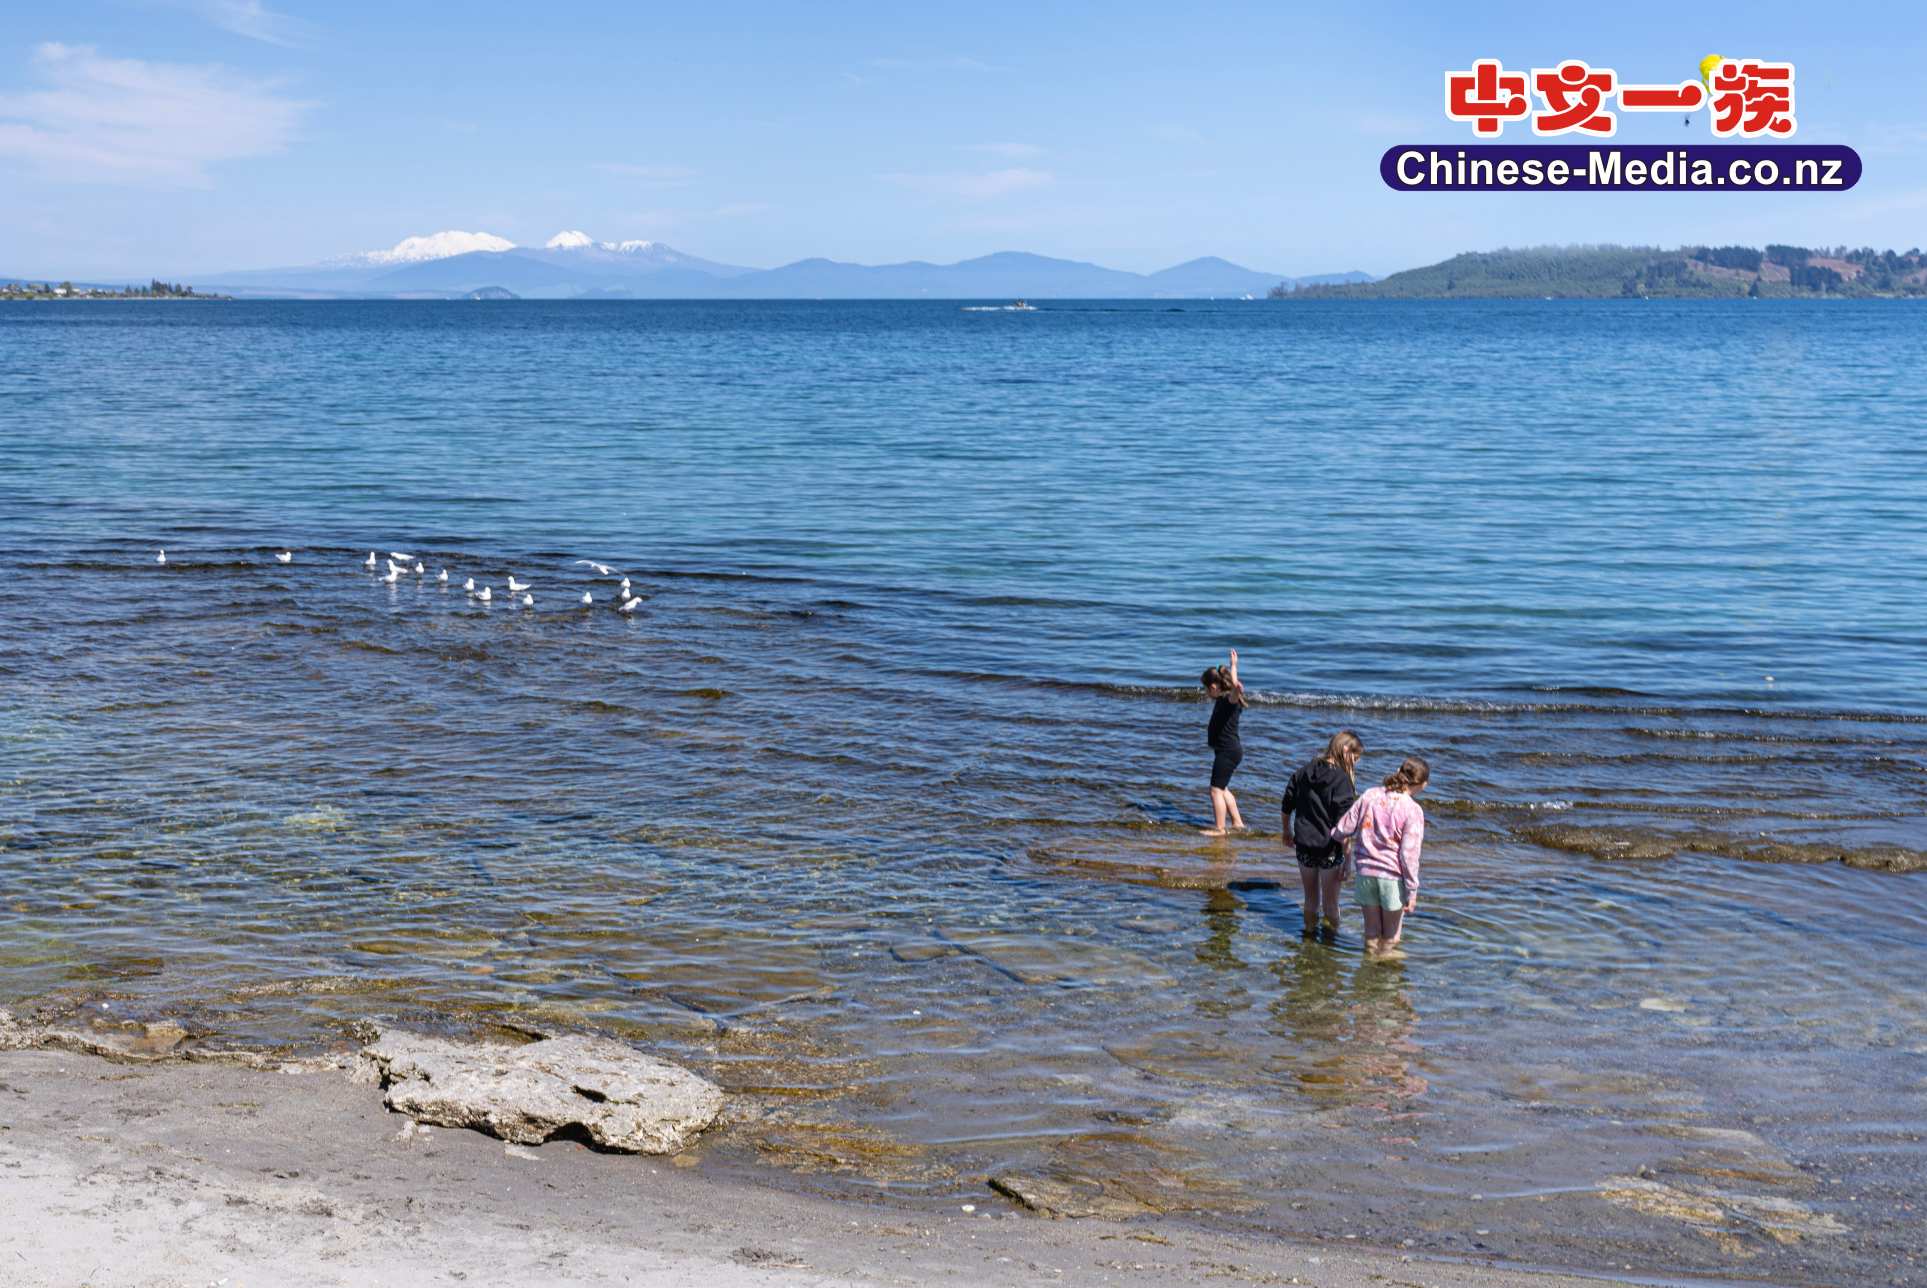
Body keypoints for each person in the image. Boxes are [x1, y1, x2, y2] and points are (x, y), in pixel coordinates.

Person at [1330, 755, 1430, 955]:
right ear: (1423, 784)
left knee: (1372, 932)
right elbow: (1408, 855)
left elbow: (1343, 828)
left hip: (1365, 873)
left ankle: (1367, 973)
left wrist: (1337, 840)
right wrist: (1412, 891)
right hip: (1392, 878)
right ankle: (1384, 982)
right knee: (1391, 936)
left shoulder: (1370, 795)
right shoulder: (1412, 810)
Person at [1281, 731, 1363, 938]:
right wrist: (1348, 860)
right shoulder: (1342, 780)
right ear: (1346, 751)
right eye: (1356, 758)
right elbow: (1344, 825)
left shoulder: (1303, 771)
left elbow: (1286, 803)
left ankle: (1308, 936)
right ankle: (1331, 942)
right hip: (1329, 849)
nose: (1356, 763)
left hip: (1304, 845)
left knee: (1310, 900)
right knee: (1331, 904)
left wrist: (1286, 831)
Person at [1198, 648, 1248, 836]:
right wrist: (1233, 666)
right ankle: (1237, 823)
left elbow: (1235, 690)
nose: (1206, 692)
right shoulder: (1223, 698)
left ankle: (1220, 829)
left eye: (1206, 688)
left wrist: (1235, 681)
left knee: (1215, 790)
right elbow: (1232, 685)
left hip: (1228, 751)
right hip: (1227, 750)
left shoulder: (1229, 700)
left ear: (1213, 687)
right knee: (1223, 788)